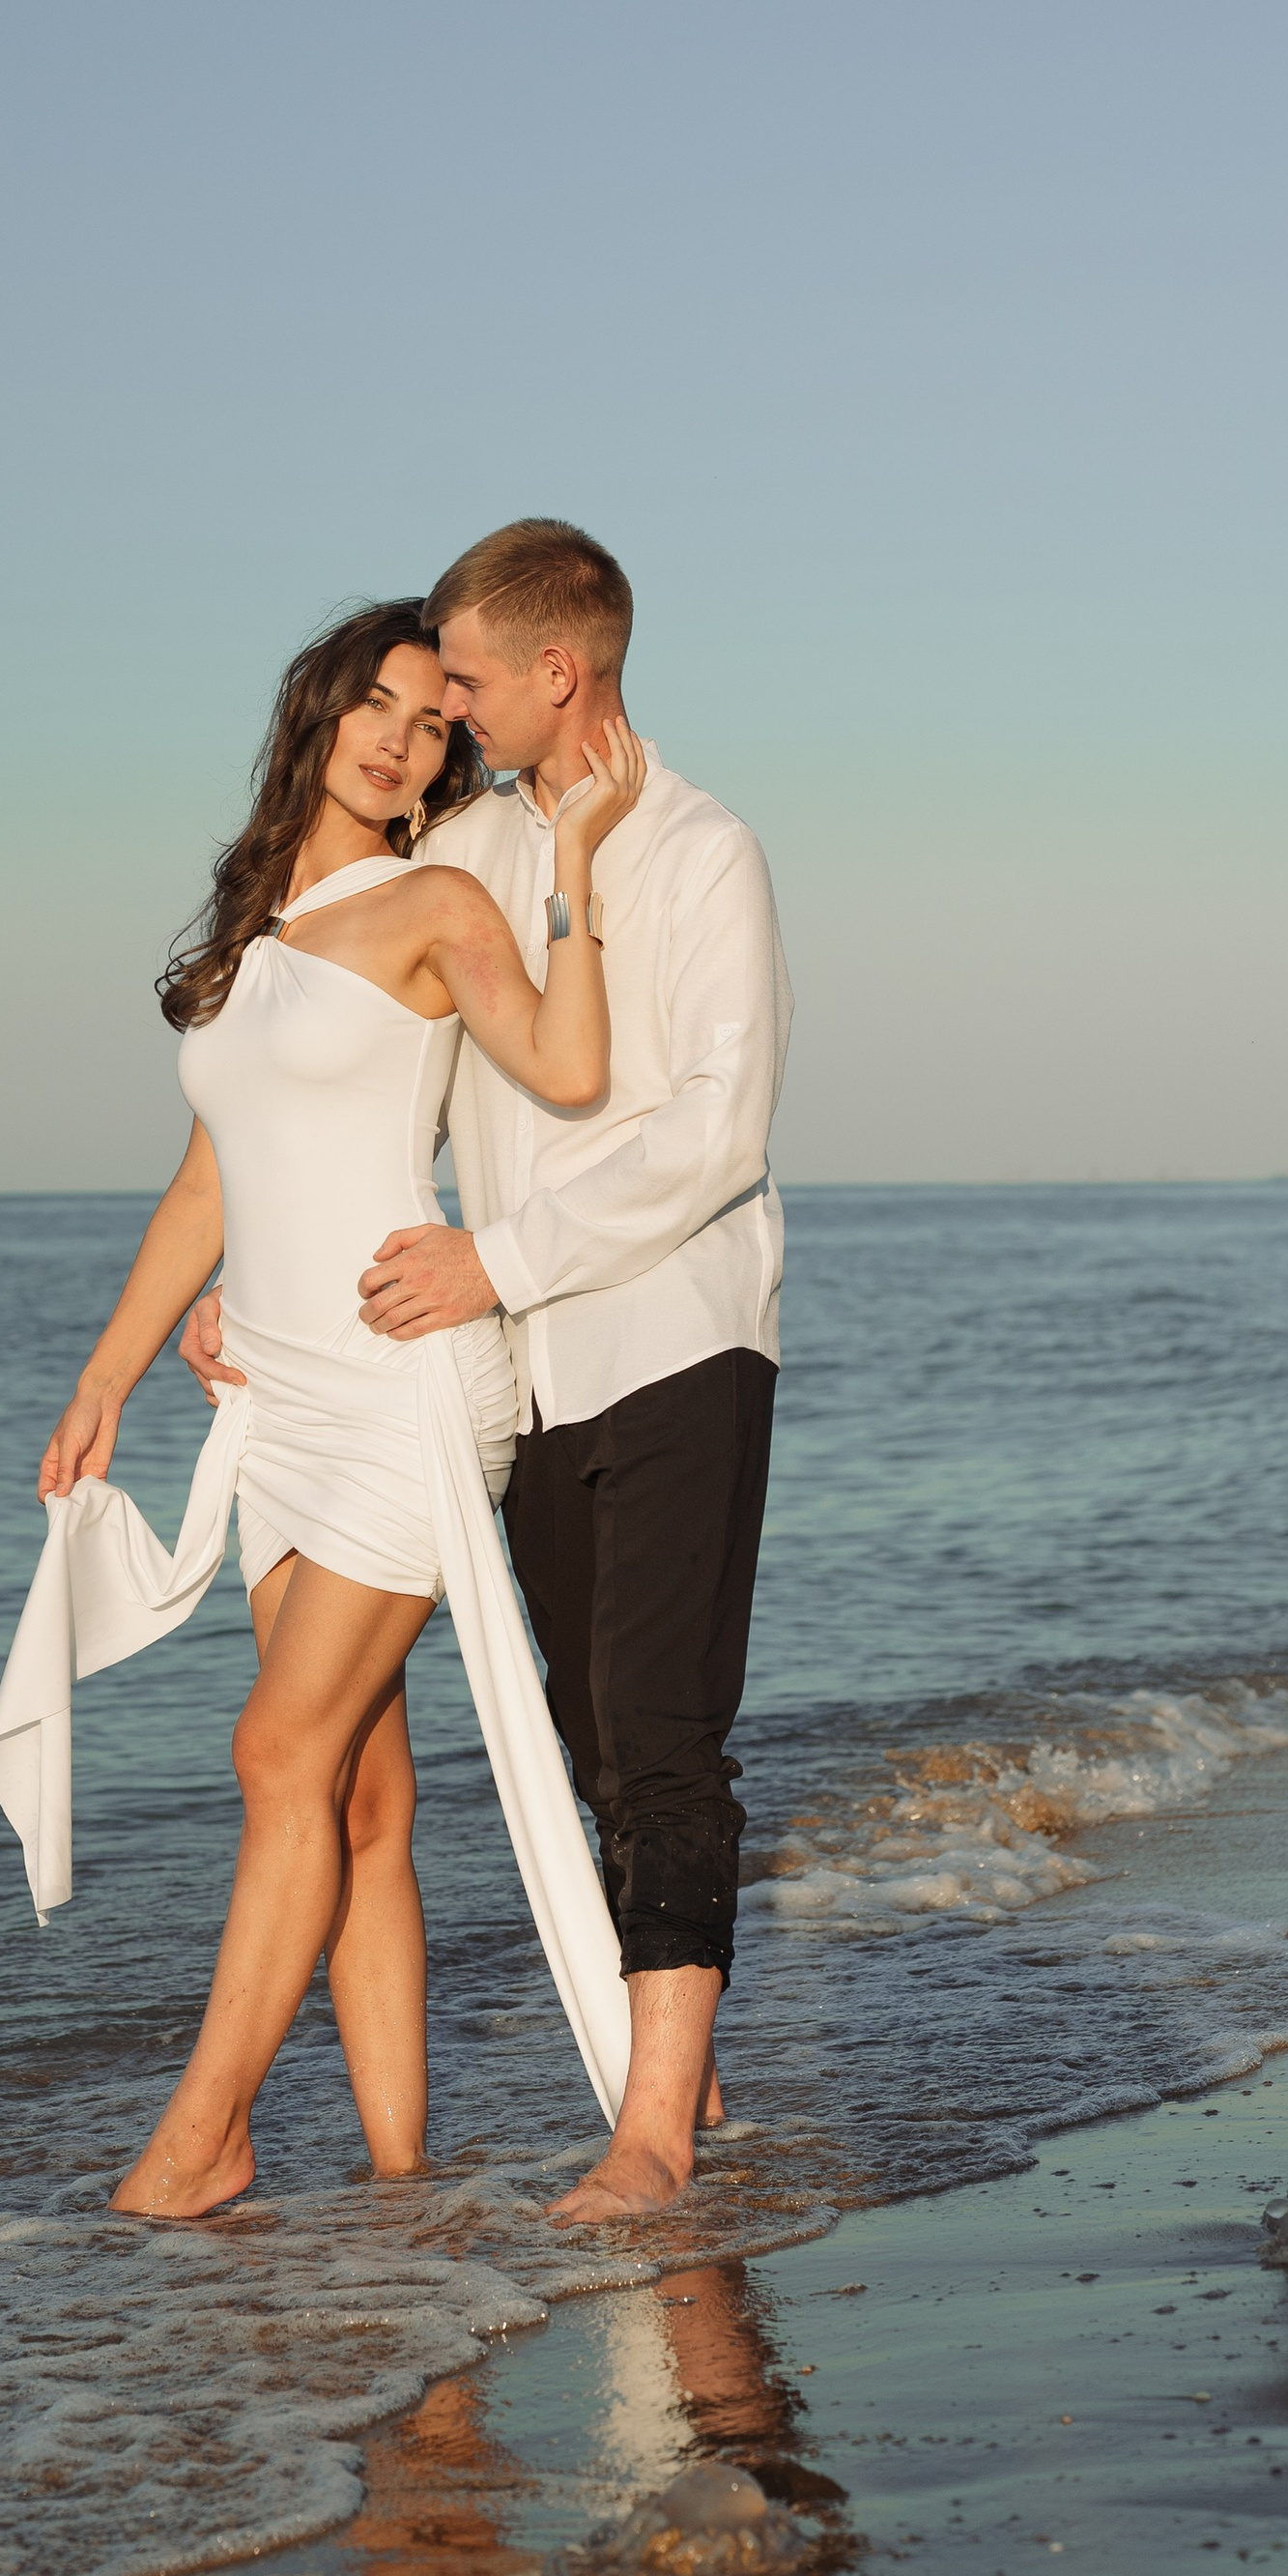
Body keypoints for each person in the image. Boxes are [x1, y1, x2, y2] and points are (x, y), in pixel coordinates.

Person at [0, 599, 646, 2217]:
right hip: (270, 1396)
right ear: (318, 710)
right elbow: (210, 1179)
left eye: (433, 721)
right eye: (379, 703)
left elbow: (567, 1071)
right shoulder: (251, 934)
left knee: (274, 1749)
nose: (402, 737)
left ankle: (202, 2137)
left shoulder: (434, 902)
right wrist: (107, 1378)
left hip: (397, 1383)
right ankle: (402, 2183)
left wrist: (569, 873)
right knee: (357, 1788)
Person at [189, 520, 789, 2225]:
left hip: (675, 1331)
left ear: (557, 672)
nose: (439, 712)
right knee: (596, 1739)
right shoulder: (454, 852)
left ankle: (655, 2138)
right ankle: (686, 2079)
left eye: (459, 677)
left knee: (663, 1736)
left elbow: (711, 1130)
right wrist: (257, 1281)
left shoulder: (700, 852)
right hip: (514, 1370)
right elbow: (362, 1101)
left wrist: (498, 1260)